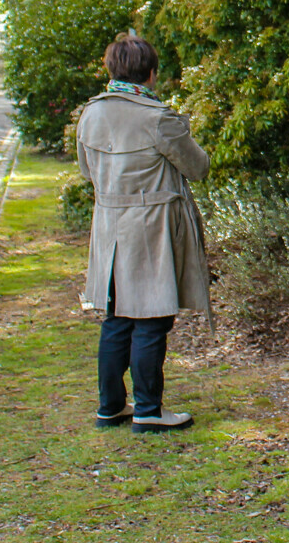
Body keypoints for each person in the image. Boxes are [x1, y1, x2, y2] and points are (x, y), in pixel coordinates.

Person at [78, 34, 211, 434]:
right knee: (152, 316)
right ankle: (149, 410)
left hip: (108, 226)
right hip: (151, 228)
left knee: (116, 316)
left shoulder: (90, 114)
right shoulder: (158, 118)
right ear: (152, 74)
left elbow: (87, 172)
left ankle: (110, 407)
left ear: (111, 69)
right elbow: (198, 167)